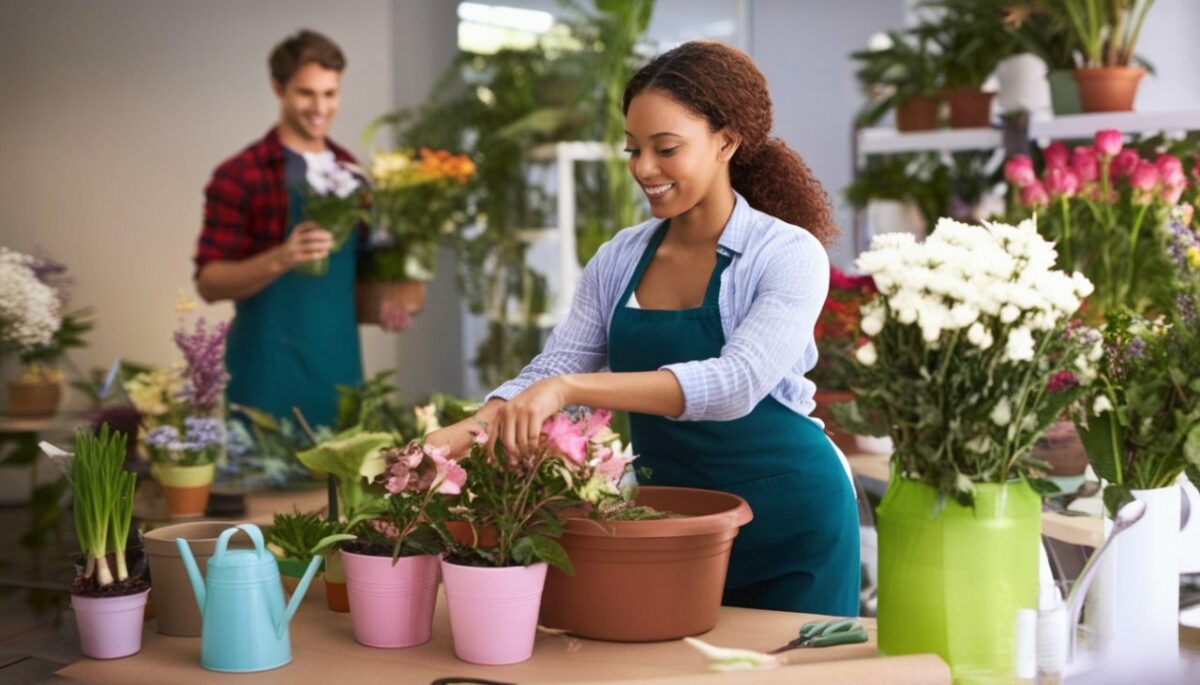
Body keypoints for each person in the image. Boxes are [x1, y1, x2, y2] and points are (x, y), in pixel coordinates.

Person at [427, 41, 860, 616]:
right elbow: (557, 368)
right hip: (671, 521)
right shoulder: (619, 258)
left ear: (726, 142)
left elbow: (735, 383)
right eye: (633, 149)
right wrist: (457, 437)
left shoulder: (785, 253)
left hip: (793, 520)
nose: (643, 169)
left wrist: (571, 392)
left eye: (666, 148)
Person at [193, 29, 377, 427]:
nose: (320, 107)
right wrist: (284, 256)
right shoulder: (242, 174)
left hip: (339, 375)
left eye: (330, 94)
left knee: (342, 488)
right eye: (306, 93)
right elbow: (209, 282)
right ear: (278, 88)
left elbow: (358, 276)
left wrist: (391, 304)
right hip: (265, 376)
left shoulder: (352, 175)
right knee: (263, 488)